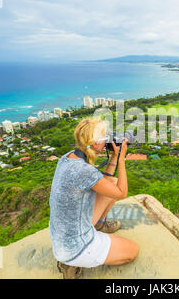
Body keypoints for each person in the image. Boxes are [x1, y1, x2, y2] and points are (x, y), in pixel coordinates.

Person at [49, 117, 139, 279]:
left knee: (111, 182)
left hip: (60, 236)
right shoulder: (83, 170)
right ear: (93, 142)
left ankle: (98, 225)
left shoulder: (68, 158)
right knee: (132, 251)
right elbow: (121, 193)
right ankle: (71, 264)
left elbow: (105, 183)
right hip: (74, 246)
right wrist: (122, 159)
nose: (107, 142)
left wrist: (114, 157)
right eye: (105, 138)